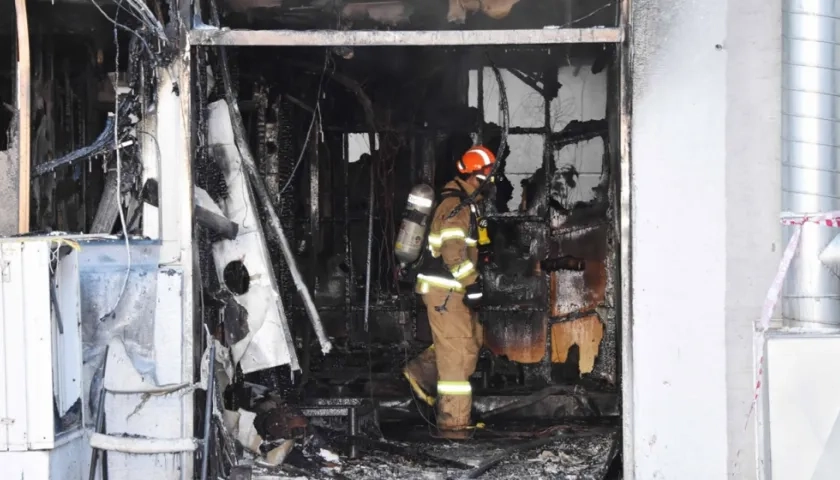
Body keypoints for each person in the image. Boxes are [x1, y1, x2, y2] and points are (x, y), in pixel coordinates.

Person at [403, 145, 496, 439]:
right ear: (475, 176)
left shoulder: (464, 203)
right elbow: (453, 253)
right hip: (446, 290)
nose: (493, 182)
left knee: (469, 343)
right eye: (489, 176)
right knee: (457, 359)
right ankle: (454, 427)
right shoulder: (456, 206)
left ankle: (422, 373)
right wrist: (472, 285)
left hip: (449, 290)